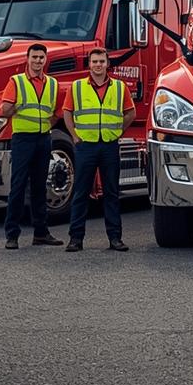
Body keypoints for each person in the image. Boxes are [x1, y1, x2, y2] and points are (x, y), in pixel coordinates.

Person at [62, 48, 134, 252]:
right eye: (94, 61)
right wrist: (74, 136)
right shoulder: (77, 87)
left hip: (109, 145)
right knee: (80, 193)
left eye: (101, 61)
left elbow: (130, 112)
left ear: (107, 64)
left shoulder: (119, 87)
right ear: (89, 64)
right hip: (86, 146)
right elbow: (67, 112)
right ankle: (75, 239)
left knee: (111, 193)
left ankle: (115, 239)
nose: (98, 65)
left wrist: (118, 131)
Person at [0, 44, 66, 249]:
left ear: (46, 60)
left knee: (40, 186)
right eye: (34, 57)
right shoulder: (16, 82)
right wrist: (15, 107)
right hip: (22, 139)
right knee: (18, 186)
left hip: (43, 138)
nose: (38, 61)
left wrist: (46, 125)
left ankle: (41, 233)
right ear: (27, 59)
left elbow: (57, 112)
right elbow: (4, 110)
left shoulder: (52, 84)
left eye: (41, 57)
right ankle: (12, 235)